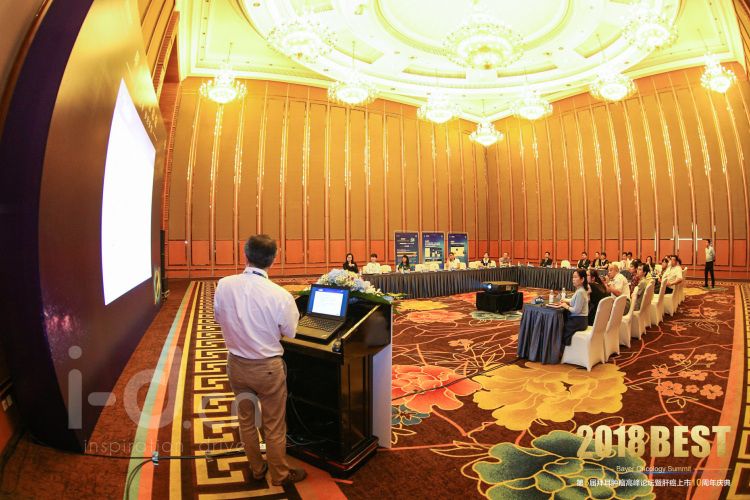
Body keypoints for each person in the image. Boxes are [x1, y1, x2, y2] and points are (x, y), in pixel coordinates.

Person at [214, 235, 306, 486]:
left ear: (245, 255)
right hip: (267, 369)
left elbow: (219, 318)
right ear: (274, 259)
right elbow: (290, 332)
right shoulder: (281, 295)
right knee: (274, 424)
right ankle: (280, 475)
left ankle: (257, 469)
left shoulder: (224, 285)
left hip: (236, 364)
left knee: (246, 420)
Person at [560, 269, 590, 345]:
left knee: (560, 328)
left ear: (582, 279)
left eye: (576, 277)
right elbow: (574, 301)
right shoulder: (580, 290)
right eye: (573, 277)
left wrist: (566, 306)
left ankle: (563, 347)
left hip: (579, 321)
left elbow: (576, 310)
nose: (573, 279)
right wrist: (565, 300)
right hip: (581, 320)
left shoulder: (580, 292)